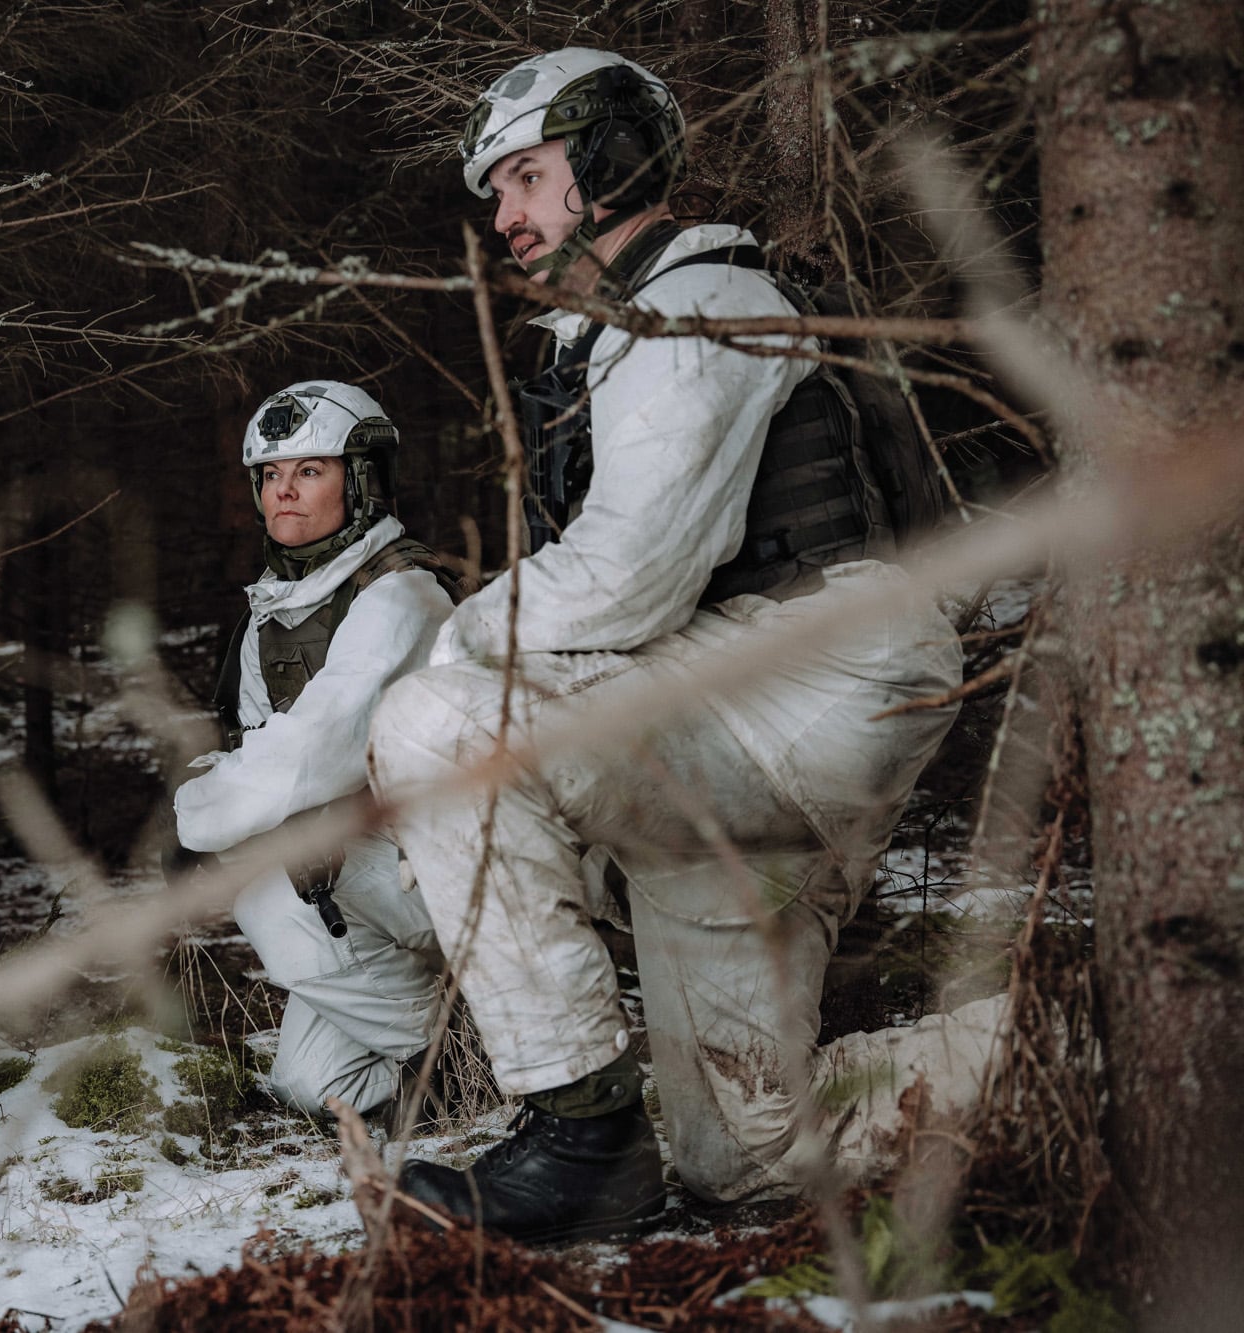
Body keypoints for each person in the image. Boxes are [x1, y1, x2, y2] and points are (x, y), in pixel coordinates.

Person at [366, 49, 1002, 1244]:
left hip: (808, 678)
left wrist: (448, 657)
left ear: (605, 160)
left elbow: (624, 576)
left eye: (522, 177)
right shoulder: (615, 330)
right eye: (490, 193)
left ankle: (579, 1133)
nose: (499, 217)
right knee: (747, 1156)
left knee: (436, 726)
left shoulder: (695, 301)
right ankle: (1079, 1032)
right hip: (749, 736)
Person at [172, 381, 455, 1119]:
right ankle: (439, 1060)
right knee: (310, 1083)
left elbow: (312, 751)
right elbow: (260, 748)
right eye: (269, 475)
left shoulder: (402, 594)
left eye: (309, 470)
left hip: (449, 866)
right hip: (369, 872)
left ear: (361, 479)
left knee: (263, 879)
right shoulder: (274, 610)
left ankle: (458, 1045)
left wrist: (200, 818)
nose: (283, 493)